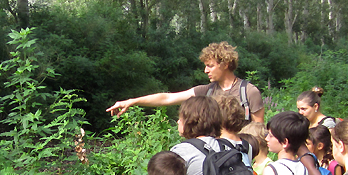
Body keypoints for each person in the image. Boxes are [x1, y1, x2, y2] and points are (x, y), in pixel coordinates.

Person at [107, 42, 265, 123]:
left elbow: (259, 133)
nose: (205, 70)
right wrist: (132, 101)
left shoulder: (249, 92)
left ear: (224, 65)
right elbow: (167, 98)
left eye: (210, 66)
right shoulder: (206, 91)